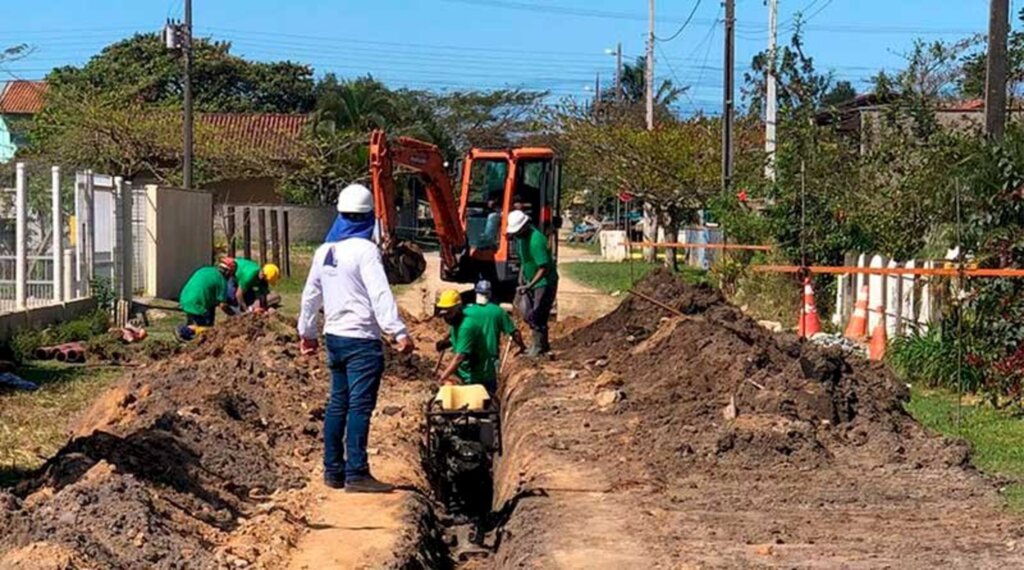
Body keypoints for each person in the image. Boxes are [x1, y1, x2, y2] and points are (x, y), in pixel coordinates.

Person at [298, 183, 415, 494]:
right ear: (368, 218)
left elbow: (311, 295)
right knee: (360, 408)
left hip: (334, 338)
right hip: (362, 341)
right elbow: (380, 293)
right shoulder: (365, 251)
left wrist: (307, 333)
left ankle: (333, 471)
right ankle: (357, 473)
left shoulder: (324, 251)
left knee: (338, 404)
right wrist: (398, 331)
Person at [435, 283, 525, 395]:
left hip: (479, 375)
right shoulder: (496, 311)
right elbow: (514, 333)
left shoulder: (467, 320)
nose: (446, 318)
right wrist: (448, 342)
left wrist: (443, 377)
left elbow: (460, 356)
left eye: (448, 313)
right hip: (475, 368)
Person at [506, 210, 558, 356]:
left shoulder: (536, 241)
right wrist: (522, 276)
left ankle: (539, 346)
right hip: (530, 280)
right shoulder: (521, 238)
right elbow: (525, 260)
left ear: (525, 226)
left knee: (538, 313)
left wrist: (530, 285)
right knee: (527, 312)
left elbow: (543, 268)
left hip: (544, 282)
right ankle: (542, 344)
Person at [179, 257, 235, 331]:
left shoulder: (206, 269)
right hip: (197, 304)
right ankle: (183, 330)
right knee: (205, 330)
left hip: (185, 299)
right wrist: (234, 315)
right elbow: (223, 305)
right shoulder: (221, 281)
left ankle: (188, 330)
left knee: (195, 323)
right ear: (228, 272)